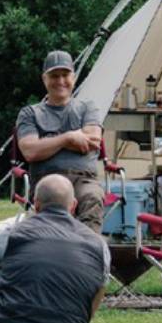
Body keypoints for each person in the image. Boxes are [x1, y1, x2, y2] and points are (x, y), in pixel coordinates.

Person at [0, 174, 110, 323]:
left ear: (35, 203)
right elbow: (96, 298)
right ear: (73, 205)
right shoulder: (99, 245)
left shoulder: (13, 234)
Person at [15, 50, 105, 232]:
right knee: (53, 204)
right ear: (44, 79)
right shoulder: (30, 113)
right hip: (47, 179)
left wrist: (47, 142)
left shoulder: (88, 108)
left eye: (65, 75)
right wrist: (69, 138)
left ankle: (88, 254)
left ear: (74, 77)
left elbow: (93, 141)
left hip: (84, 180)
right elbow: (31, 152)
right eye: (54, 76)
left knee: (92, 197)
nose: (60, 81)